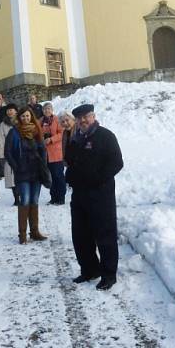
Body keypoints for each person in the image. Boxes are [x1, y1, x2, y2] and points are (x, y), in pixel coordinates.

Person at [65, 103, 123, 291]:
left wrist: (98, 178)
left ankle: (108, 275)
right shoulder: (75, 138)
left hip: (101, 194)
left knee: (105, 235)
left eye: (86, 117)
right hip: (80, 195)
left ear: (93, 116)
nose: (83, 120)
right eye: (80, 118)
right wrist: (70, 177)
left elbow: (117, 162)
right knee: (81, 235)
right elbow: (70, 161)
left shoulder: (106, 136)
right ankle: (89, 270)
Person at [5, 106, 48, 244]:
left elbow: (42, 149)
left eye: (28, 116)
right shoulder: (14, 132)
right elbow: (8, 152)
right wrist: (16, 166)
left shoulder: (36, 130)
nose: (25, 118)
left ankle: (34, 232)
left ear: (31, 117)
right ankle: (22, 234)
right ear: (19, 118)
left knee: (34, 200)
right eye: (23, 116)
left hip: (36, 171)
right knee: (25, 200)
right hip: (22, 172)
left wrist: (43, 165)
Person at [40, 103, 65, 205]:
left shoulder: (57, 120)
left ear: (52, 110)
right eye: (45, 109)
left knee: (58, 176)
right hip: (46, 154)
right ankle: (53, 197)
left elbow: (61, 134)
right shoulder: (40, 121)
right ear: (43, 110)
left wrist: (51, 139)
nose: (47, 111)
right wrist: (41, 138)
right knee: (51, 177)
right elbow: (37, 133)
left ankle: (61, 198)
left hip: (56, 153)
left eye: (49, 109)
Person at [0, 103, 20, 204]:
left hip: (20, 152)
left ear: (16, 111)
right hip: (9, 152)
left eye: (12, 110)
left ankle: (23, 195)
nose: (10, 112)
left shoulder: (20, 121)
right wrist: (1, 155)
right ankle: (16, 199)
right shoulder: (3, 124)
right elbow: (1, 140)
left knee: (21, 175)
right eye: (8, 110)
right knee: (11, 178)